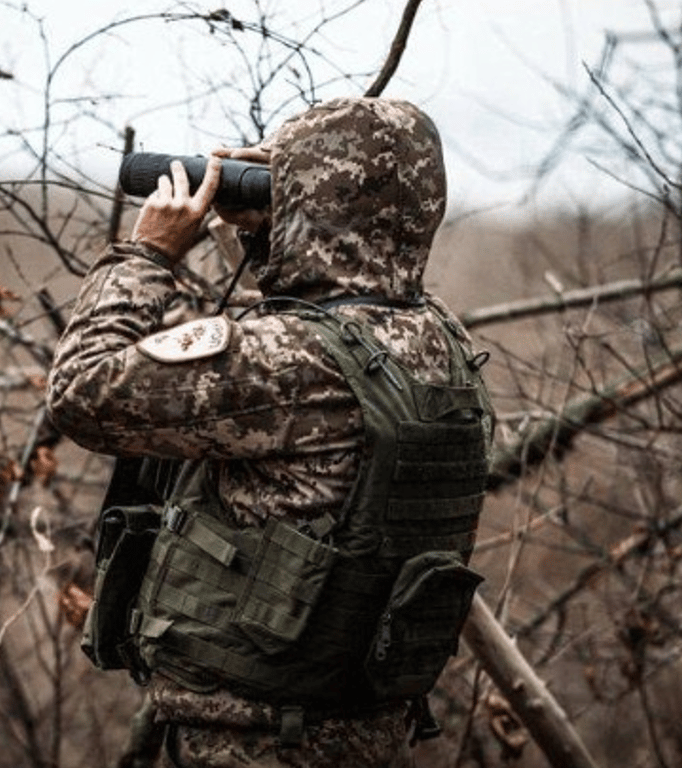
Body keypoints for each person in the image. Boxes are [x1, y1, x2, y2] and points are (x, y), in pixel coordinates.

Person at [47, 97, 493, 768]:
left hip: (254, 742)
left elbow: (81, 392)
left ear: (310, 203)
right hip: (364, 727)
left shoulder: (294, 363)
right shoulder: (439, 339)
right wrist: (273, 235)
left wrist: (146, 254)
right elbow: (345, 292)